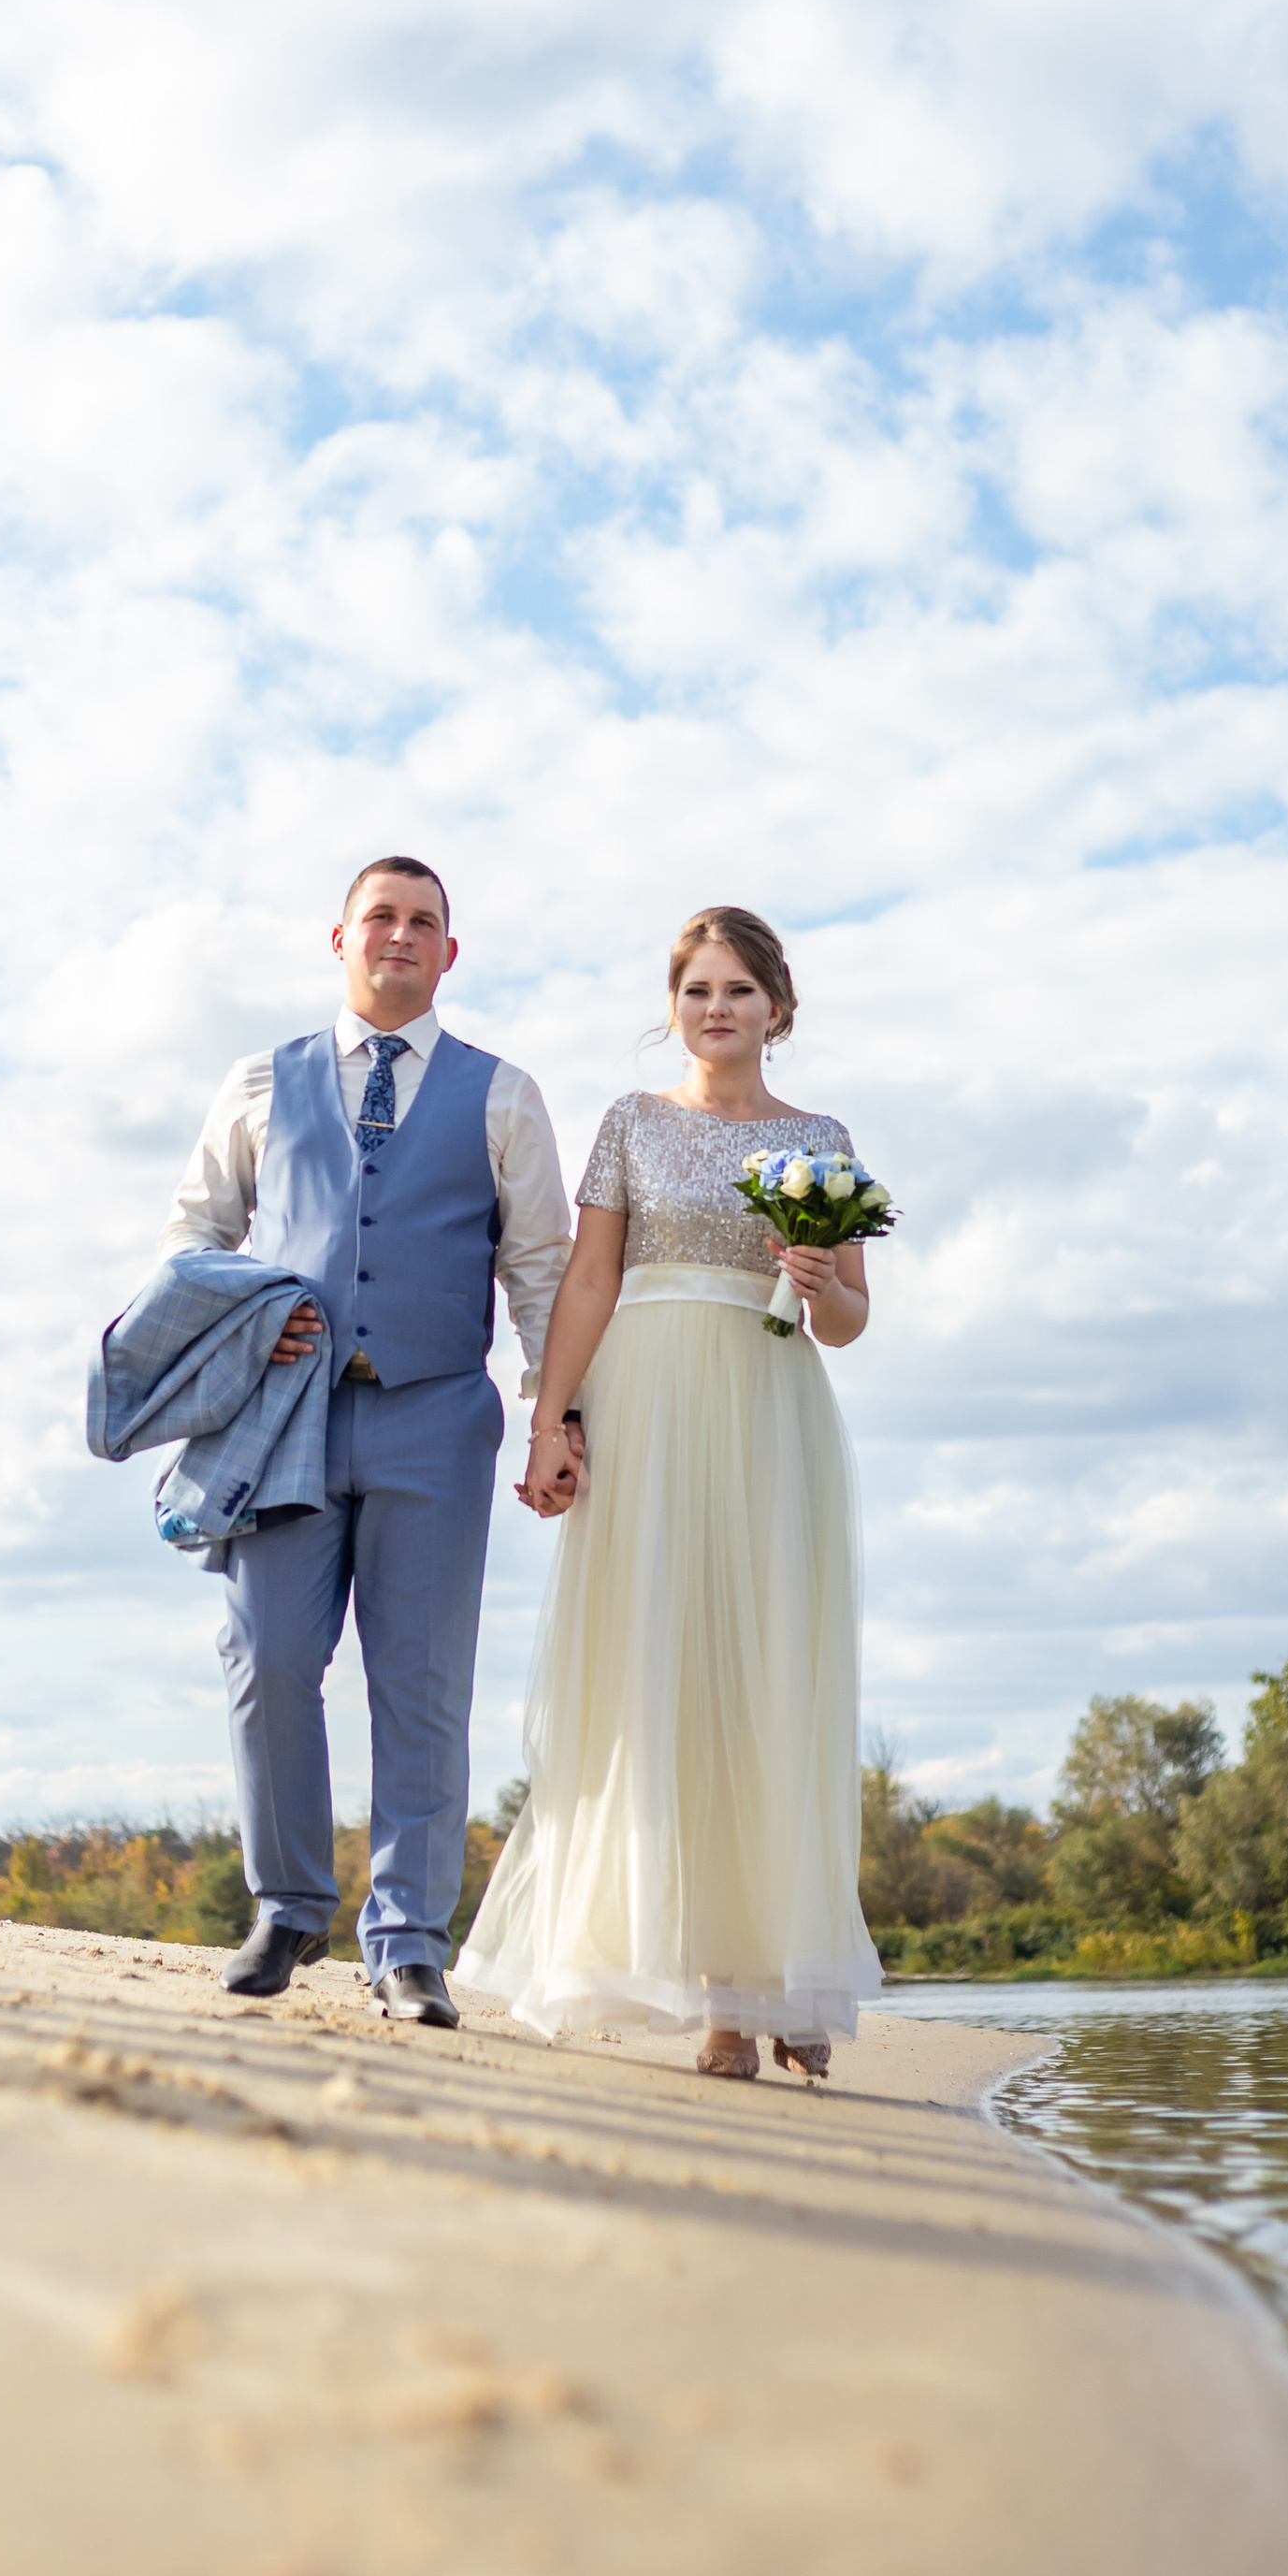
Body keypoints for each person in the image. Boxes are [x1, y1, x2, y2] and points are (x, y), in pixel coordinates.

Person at [457, 906, 883, 2078]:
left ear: (777, 1011)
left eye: (738, 990)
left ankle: (766, 1981)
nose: (715, 1009)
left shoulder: (824, 1137)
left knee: (763, 1675)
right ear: (673, 1007)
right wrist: (552, 1418)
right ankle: (709, 1993)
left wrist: (814, 1279)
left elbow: (848, 1321)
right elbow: (589, 1277)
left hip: (768, 1410)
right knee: (661, 1679)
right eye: (696, 989)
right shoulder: (632, 1125)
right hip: (646, 1403)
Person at [161, 858, 572, 2024]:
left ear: (449, 955)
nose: (400, 935)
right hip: (282, 1419)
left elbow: (538, 1265)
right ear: (337, 941)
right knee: (267, 1661)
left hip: (437, 1413)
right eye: (379, 917)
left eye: (423, 922)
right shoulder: (257, 1081)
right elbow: (193, 1232)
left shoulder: (502, 1095)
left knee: (423, 1682)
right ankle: (288, 1906)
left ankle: (406, 1942)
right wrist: (249, 1317)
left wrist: (554, 1415)